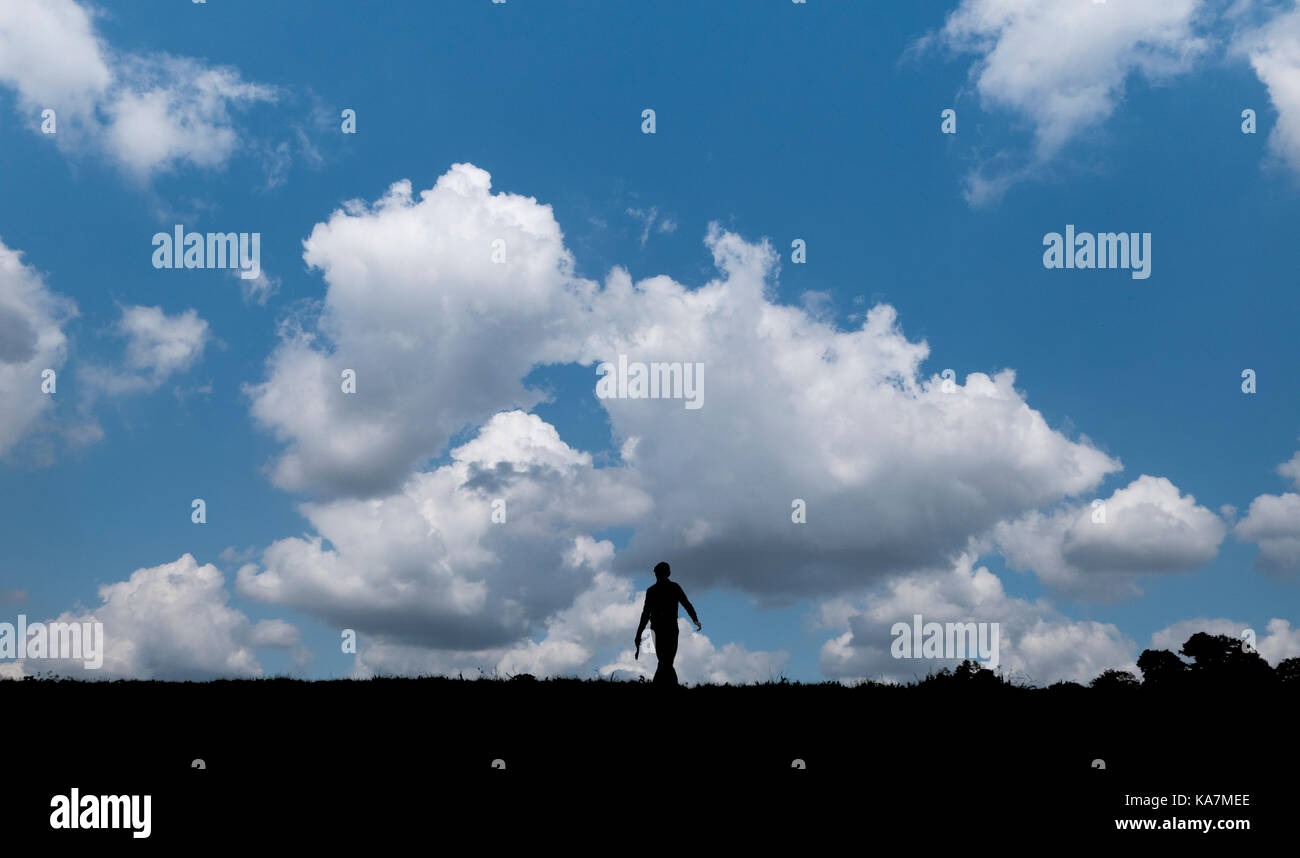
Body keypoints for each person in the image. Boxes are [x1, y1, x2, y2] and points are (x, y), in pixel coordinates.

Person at [635, 561, 701, 686]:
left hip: (661, 627)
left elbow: (645, 615)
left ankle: (661, 685)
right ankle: (670, 685)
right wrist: (695, 619)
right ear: (668, 573)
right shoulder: (671, 588)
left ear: (656, 574)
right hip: (667, 627)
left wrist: (638, 634)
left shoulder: (653, 590)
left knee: (665, 661)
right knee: (666, 661)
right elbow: (686, 604)